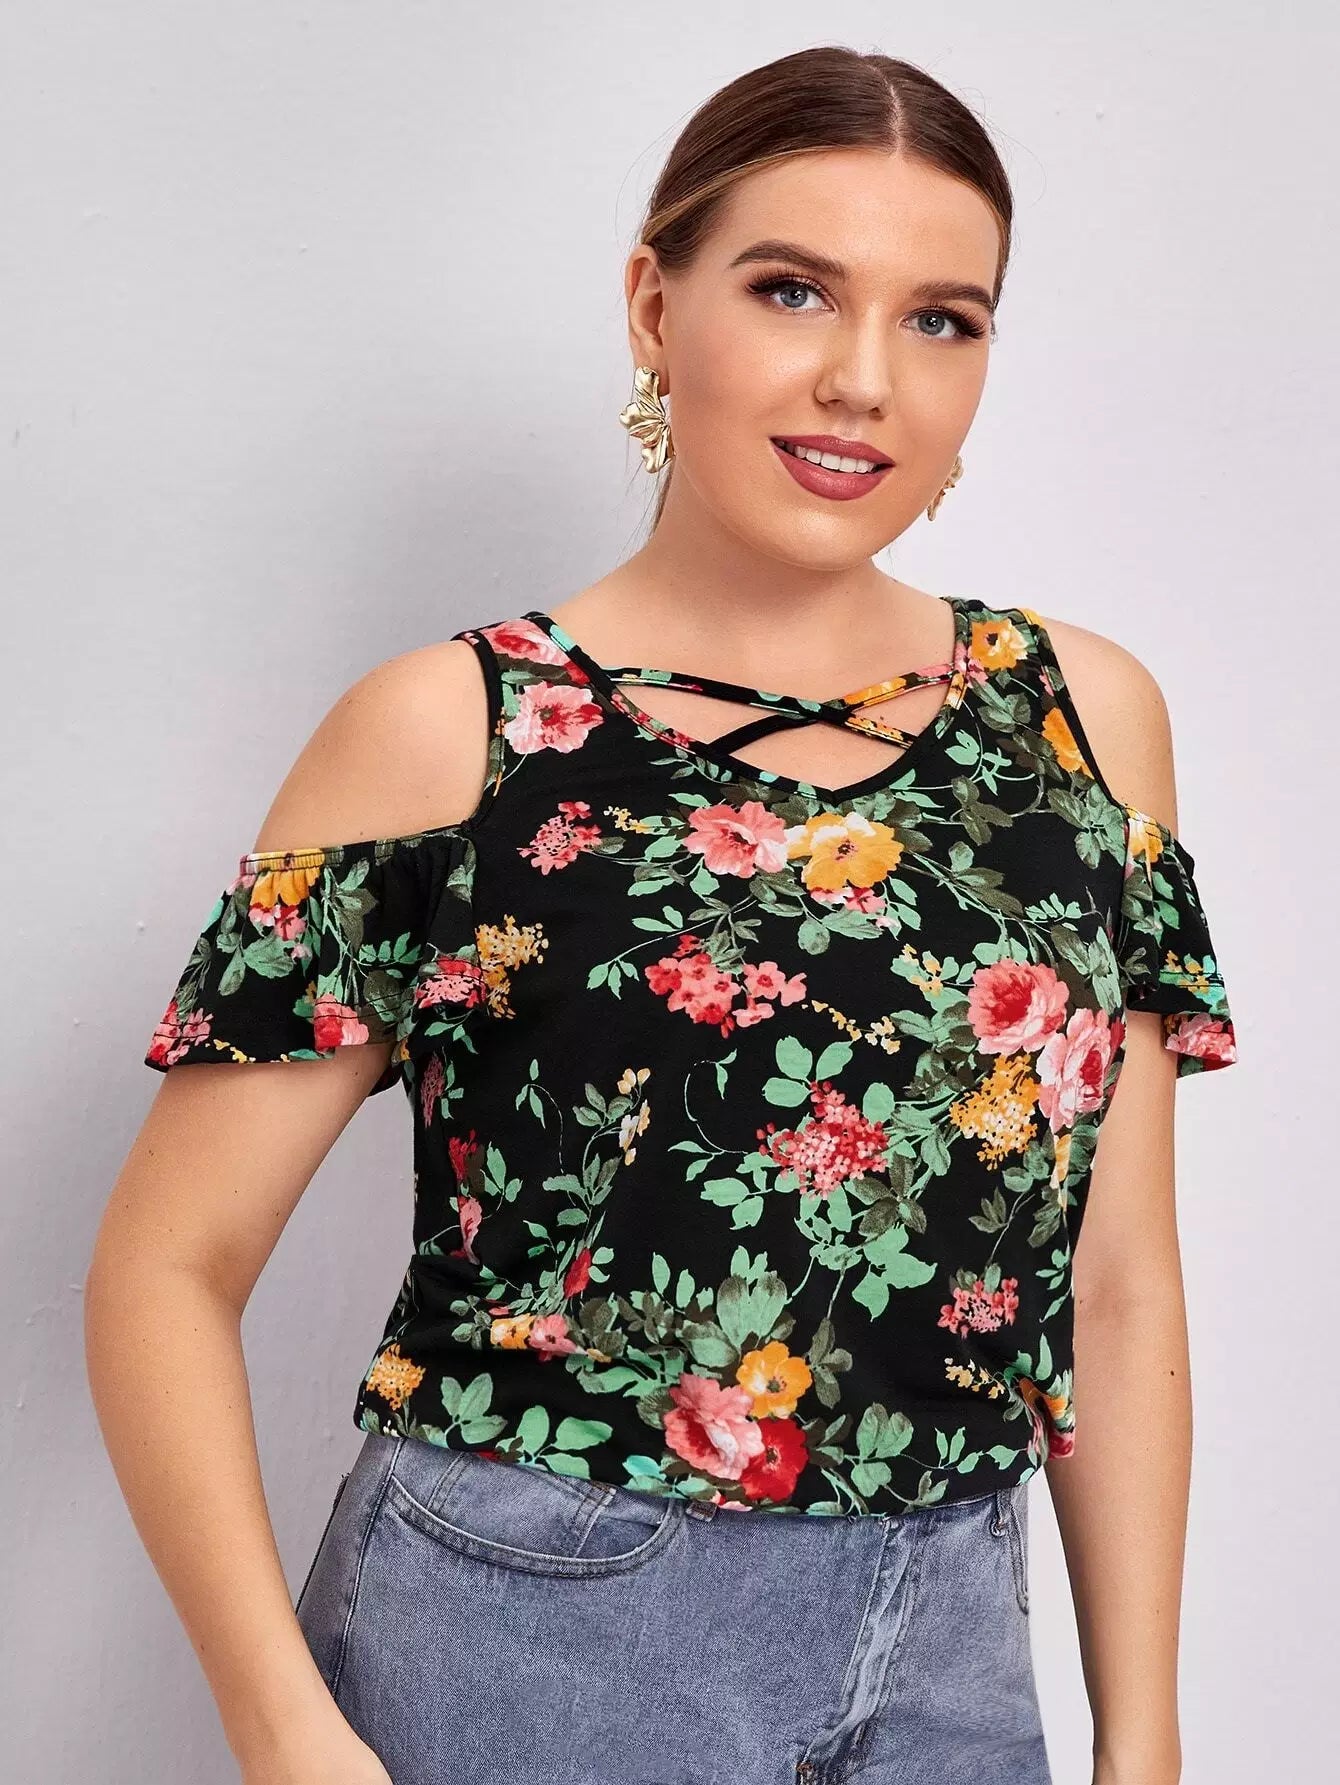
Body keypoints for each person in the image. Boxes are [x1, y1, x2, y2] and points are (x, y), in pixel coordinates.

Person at [87, 43, 1238, 1785]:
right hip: (530, 1635)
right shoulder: (453, 732)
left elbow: (1119, 1282)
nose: (863, 380)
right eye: (793, 290)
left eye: (942, 319)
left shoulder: (1083, 721)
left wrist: (1143, 1734)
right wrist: (282, 1727)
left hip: (952, 1645)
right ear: (653, 304)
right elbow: (165, 1266)